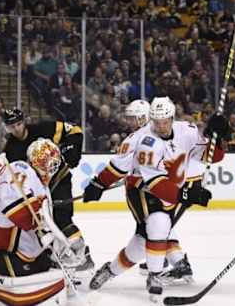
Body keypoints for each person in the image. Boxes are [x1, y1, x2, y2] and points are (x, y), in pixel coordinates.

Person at [84, 97, 227, 300]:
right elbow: (143, 178)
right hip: (141, 188)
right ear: (151, 119)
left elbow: (211, 156)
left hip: (169, 191)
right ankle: (155, 275)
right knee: (158, 224)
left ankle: (110, 270)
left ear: (171, 118)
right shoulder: (144, 141)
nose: (161, 126)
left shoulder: (187, 130)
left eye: (165, 121)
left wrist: (217, 138)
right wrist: (99, 183)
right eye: (156, 122)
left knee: (142, 242)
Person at [0, 139, 78, 305]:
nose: (52, 169)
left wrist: (55, 242)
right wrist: (39, 225)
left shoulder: (42, 187)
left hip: (22, 253)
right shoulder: (19, 169)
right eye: (49, 163)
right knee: (28, 278)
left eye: (54, 164)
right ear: (38, 161)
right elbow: (17, 211)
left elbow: (39, 222)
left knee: (48, 269)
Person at [2, 108, 94, 275]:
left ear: (24, 121)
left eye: (18, 124)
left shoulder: (43, 129)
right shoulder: (11, 149)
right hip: (38, 189)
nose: (16, 129)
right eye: (11, 126)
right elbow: (17, 177)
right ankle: (54, 258)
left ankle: (83, 255)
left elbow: (75, 130)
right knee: (39, 225)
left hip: (59, 180)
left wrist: (70, 152)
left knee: (61, 217)